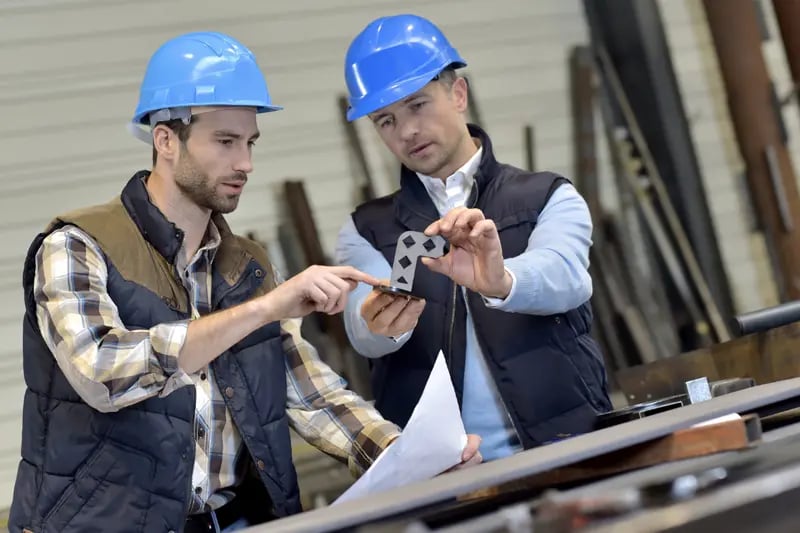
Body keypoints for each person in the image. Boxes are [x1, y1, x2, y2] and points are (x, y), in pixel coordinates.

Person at [8, 31, 481, 533]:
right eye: (226, 142)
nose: (246, 164)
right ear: (165, 139)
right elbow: (102, 372)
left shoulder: (246, 265)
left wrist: (410, 456)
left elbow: (312, 396)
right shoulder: (78, 245)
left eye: (250, 142)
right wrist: (264, 308)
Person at [335, 14, 613, 463]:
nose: (406, 131)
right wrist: (379, 325)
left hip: (568, 450)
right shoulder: (367, 228)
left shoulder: (546, 196)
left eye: (418, 105)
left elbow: (567, 276)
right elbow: (361, 331)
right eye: (386, 120)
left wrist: (501, 281)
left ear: (458, 94)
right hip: (447, 474)